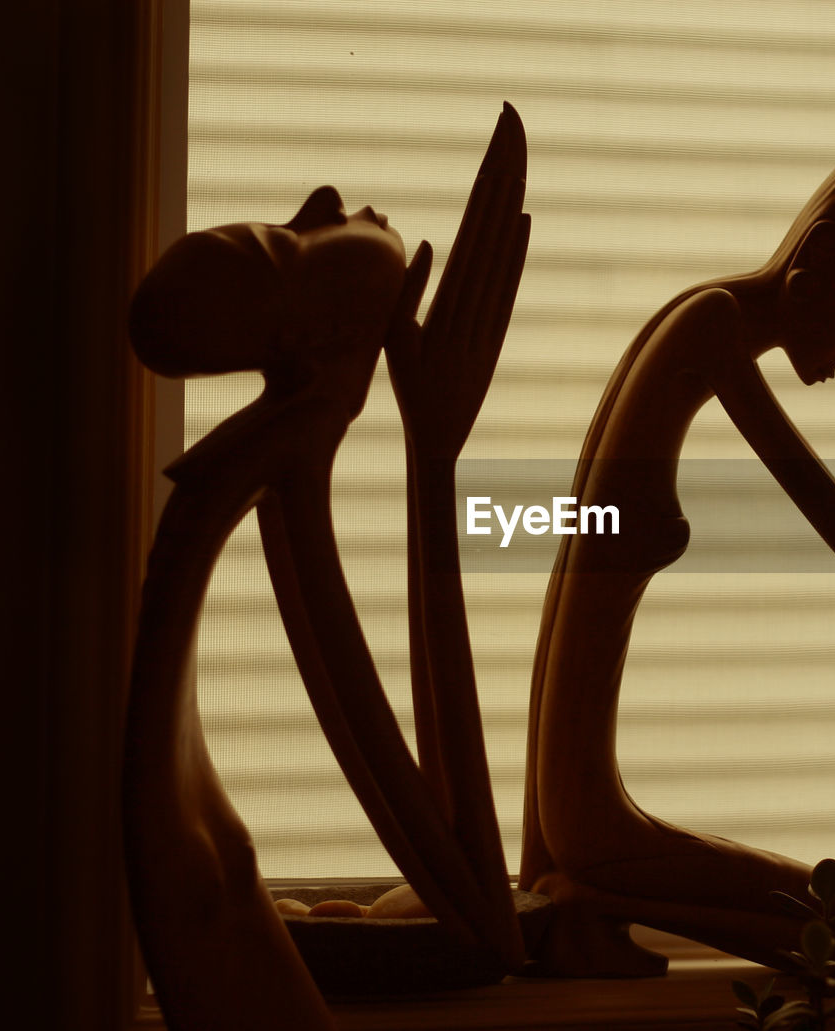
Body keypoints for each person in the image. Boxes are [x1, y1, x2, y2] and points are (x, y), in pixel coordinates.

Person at [520, 137, 835, 974]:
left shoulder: (697, 314)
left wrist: (537, 867)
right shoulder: (714, 328)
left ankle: (601, 896)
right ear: (808, 281)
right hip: (588, 821)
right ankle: (607, 893)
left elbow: (559, 615)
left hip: (573, 816)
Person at [124, 105, 530, 1030]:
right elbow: (479, 912)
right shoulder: (269, 471)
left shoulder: (255, 467)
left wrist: (433, 460)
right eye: (289, 248)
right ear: (312, 346)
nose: (323, 207)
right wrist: (432, 465)